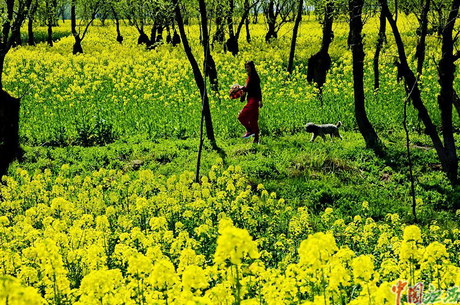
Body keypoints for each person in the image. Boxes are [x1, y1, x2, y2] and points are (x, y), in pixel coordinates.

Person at [238, 61, 263, 143]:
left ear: (252, 67)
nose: (246, 69)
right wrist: (242, 96)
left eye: (248, 67)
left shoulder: (254, 77)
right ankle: (256, 139)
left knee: (241, 116)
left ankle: (249, 130)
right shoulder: (250, 76)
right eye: (246, 67)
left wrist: (260, 100)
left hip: (254, 100)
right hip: (251, 99)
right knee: (253, 120)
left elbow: (256, 89)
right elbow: (247, 89)